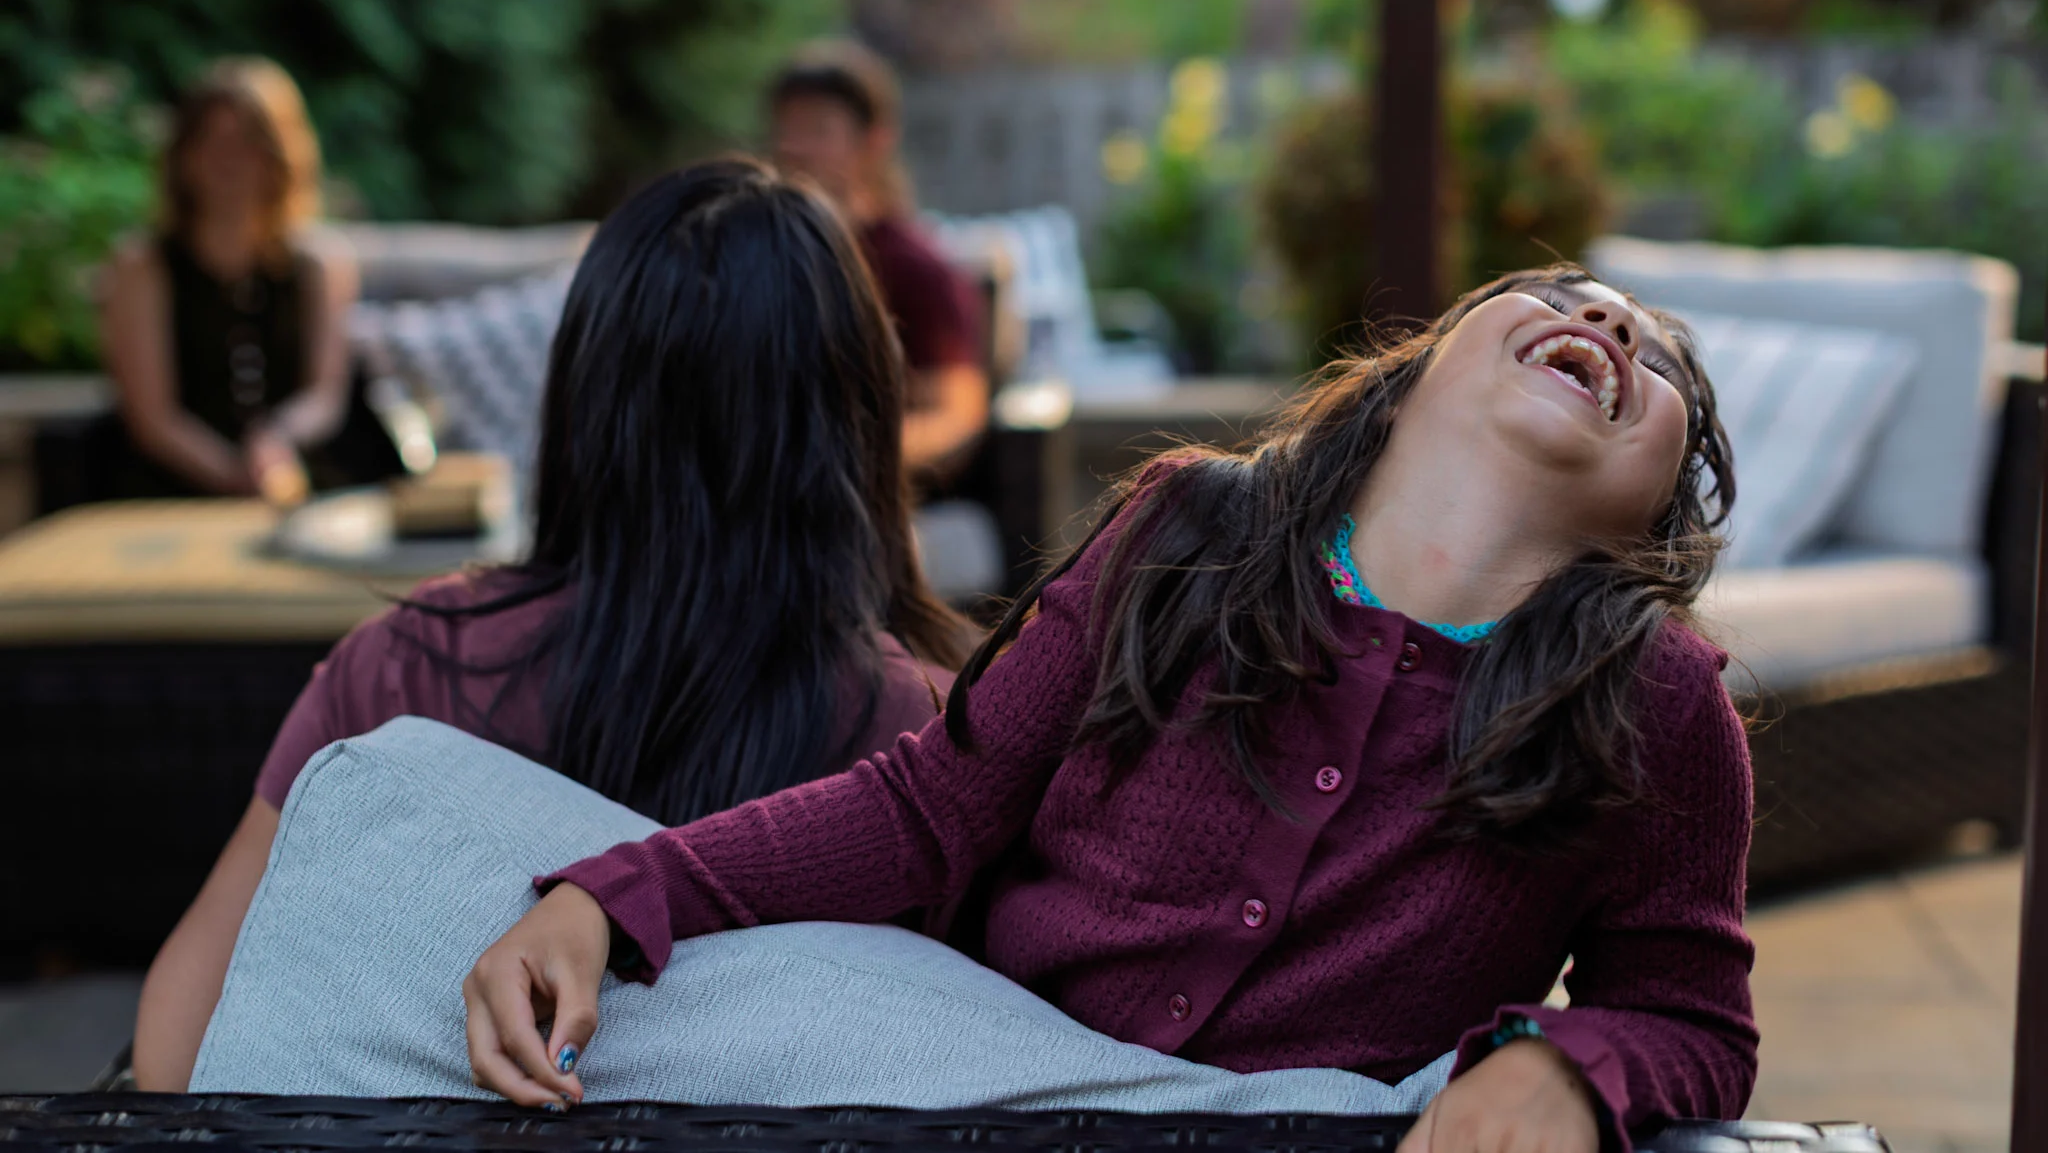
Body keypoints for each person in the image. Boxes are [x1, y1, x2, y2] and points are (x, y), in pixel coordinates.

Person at [465, 264, 1753, 1152]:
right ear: (1405, 381)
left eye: (1663, 361)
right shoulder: (1187, 527)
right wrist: (626, 888)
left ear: (1650, 527)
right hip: (994, 1095)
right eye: (1556, 297)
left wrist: (1564, 1066)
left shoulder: (1659, 705)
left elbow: (1689, 1017)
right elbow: (928, 809)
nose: (1609, 322)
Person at [133, 159, 974, 1090]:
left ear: (584, 399)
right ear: (855, 416)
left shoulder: (409, 664)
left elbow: (179, 1045)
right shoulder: (926, 739)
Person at [98, 57, 360, 502]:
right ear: (183, 156)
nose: (229, 164)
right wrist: (233, 478)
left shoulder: (320, 263)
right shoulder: (143, 266)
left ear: (279, 155)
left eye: (246, 146)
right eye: (212, 144)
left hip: (294, 480)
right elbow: (153, 417)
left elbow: (324, 397)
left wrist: (274, 445)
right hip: (170, 486)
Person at [768, 41, 989, 483]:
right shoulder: (757, 252)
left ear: (874, 141)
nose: (795, 147)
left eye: (818, 130)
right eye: (787, 128)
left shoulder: (913, 267)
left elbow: (956, 417)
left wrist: (841, 468)